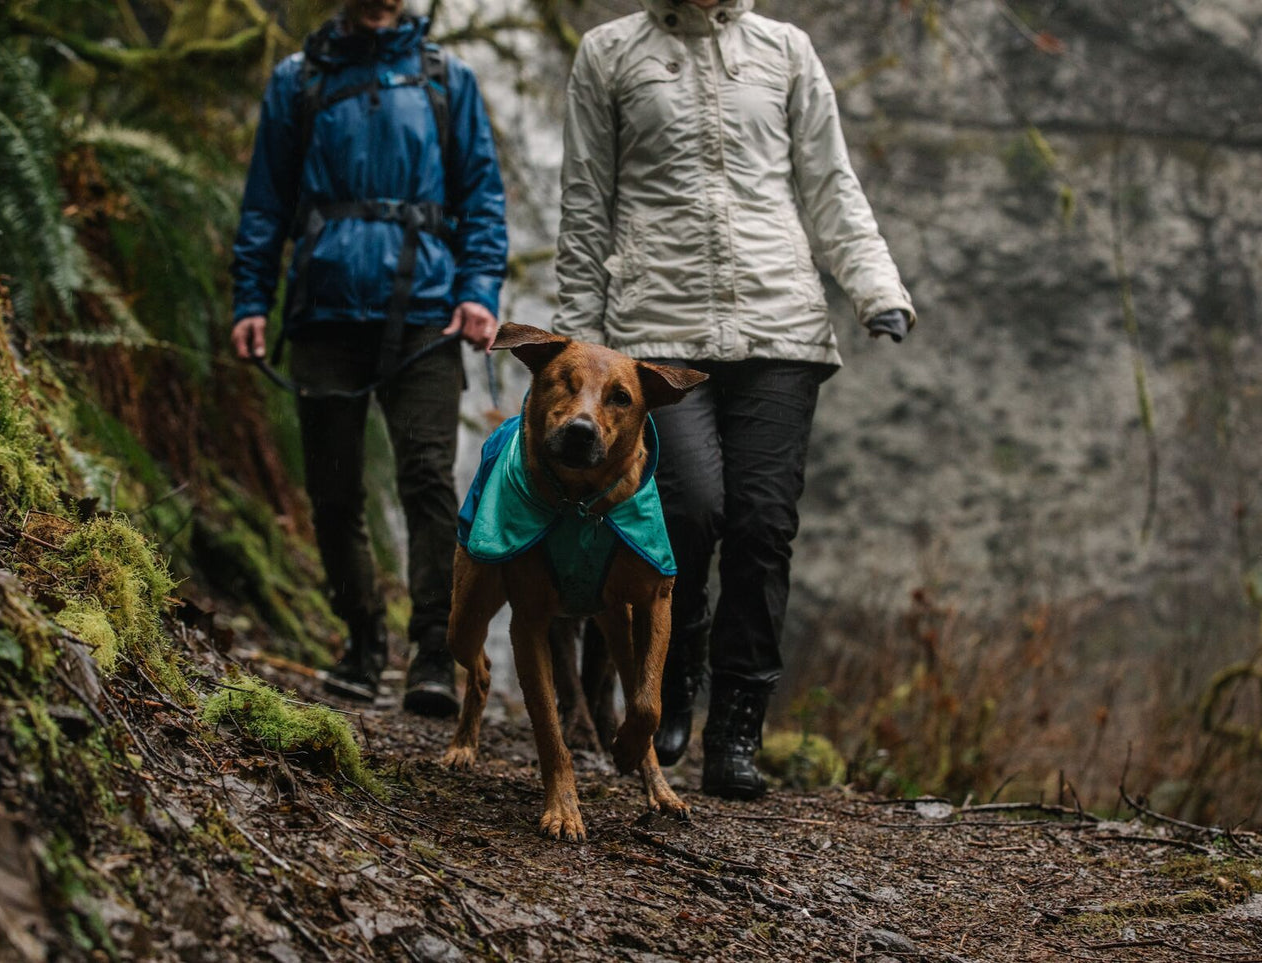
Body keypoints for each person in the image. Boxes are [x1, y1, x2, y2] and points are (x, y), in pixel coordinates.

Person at [553, 0, 915, 797]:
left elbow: (829, 181)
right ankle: (672, 672)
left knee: (762, 524)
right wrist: (576, 348)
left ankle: (737, 730)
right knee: (687, 510)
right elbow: (584, 200)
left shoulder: (785, 49)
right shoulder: (609, 53)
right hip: (656, 330)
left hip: (779, 327)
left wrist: (875, 287)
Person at [230, 0, 507, 714]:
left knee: (428, 479)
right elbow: (265, 201)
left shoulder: (447, 78)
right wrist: (251, 299)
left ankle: (435, 653)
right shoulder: (299, 80)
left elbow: (481, 194)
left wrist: (479, 290)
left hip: (426, 314)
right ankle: (361, 641)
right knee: (332, 490)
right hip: (323, 313)